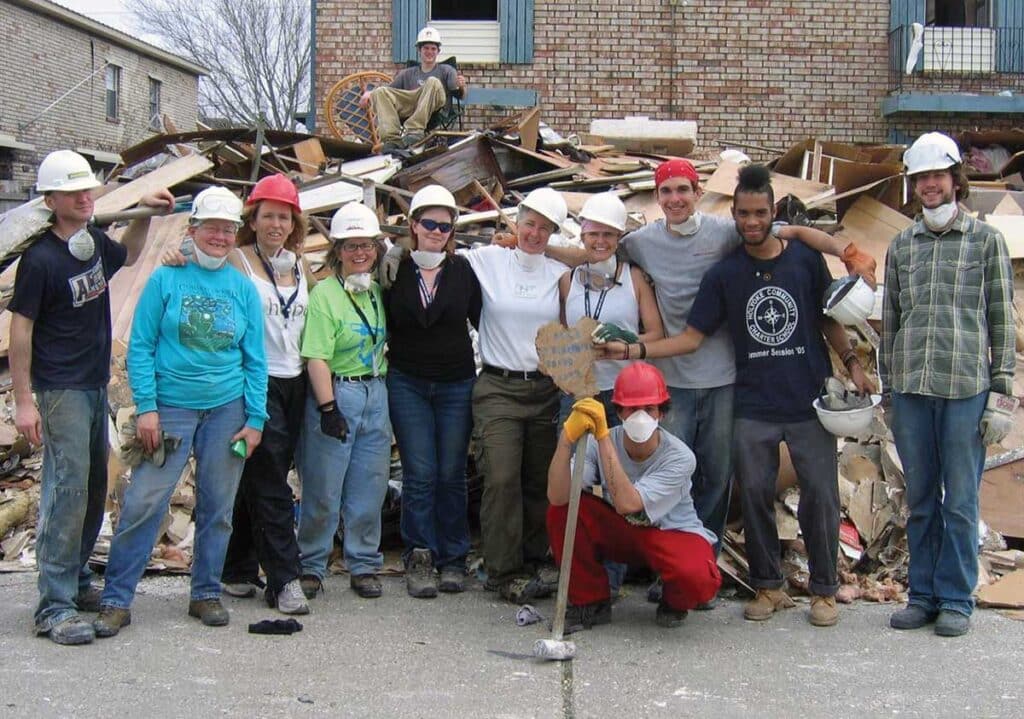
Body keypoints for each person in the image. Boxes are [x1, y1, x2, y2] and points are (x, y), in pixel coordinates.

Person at [549, 159, 877, 577]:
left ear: (698, 194)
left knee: (717, 478)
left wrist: (848, 252)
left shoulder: (728, 232)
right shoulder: (644, 242)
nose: (675, 199)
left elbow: (794, 232)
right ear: (656, 196)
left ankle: (705, 561)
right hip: (672, 379)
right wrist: (538, 247)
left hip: (724, 378)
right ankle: (668, 564)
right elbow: (595, 248)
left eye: (683, 190)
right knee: (670, 474)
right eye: (666, 191)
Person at [9, 150, 173, 645]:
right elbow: (20, 332)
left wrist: (143, 212)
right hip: (59, 387)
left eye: (89, 191)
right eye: (74, 192)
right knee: (67, 490)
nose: (85, 197)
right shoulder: (40, 260)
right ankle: (52, 606)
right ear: (51, 199)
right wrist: (22, 400)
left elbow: (128, 254)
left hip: (93, 382)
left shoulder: (91, 242)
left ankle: (77, 579)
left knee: (94, 485)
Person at [93, 187, 268, 637]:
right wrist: (147, 409)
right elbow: (142, 347)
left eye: (228, 229)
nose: (220, 237)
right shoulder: (165, 280)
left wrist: (255, 418)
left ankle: (205, 592)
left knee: (218, 507)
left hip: (227, 410)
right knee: (145, 501)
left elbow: (255, 359)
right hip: (171, 409)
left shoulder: (241, 288)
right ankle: (116, 599)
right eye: (212, 227)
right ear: (193, 231)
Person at [883, 132, 1014, 638]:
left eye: (937, 176)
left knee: (959, 500)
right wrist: (890, 391)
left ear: (954, 180)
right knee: (918, 499)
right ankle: (923, 594)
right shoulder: (902, 245)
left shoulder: (986, 243)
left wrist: (1001, 398)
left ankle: (956, 597)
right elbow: (891, 324)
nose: (928, 186)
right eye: (920, 179)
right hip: (913, 391)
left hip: (966, 391)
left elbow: (1002, 322)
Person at [547, 362, 720, 633]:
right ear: (619, 411)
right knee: (562, 513)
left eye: (649, 409)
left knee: (699, 577)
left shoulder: (680, 457)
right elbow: (558, 497)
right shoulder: (597, 443)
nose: (641, 417)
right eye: (632, 409)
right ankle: (589, 602)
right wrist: (566, 442)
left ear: (661, 413)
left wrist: (603, 438)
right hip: (622, 530)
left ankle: (674, 600)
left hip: (669, 533)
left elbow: (629, 503)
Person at [215, 174, 314, 615]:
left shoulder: (301, 263)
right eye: (268, 215)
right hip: (254, 380)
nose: (276, 224)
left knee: (257, 473)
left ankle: (235, 568)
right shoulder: (236, 259)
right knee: (272, 477)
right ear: (252, 219)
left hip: (297, 380)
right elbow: (192, 261)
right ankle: (284, 579)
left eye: (284, 216)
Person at [383, 185, 482, 598]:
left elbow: (484, 319)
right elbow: (344, 263)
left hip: (456, 382)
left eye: (445, 225)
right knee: (420, 474)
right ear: (413, 226)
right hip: (408, 381)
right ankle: (420, 555)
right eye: (429, 223)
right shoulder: (392, 270)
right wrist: (386, 251)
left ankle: (453, 558)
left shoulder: (464, 271)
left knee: (452, 473)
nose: (437, 231)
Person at [297, 202, 391, 600]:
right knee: (323, 487)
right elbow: (315, 355)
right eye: (351, 246)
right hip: (339, 391)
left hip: (375, 391)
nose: (359, 254)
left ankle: (364, 563)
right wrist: (328, 408)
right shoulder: (325, 296)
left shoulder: (374, 292)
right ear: (336, 250)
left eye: (366, 246)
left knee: (369, 486)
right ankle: (312, 564)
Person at [559, 191, 663, 423]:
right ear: (583, 236)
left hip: (626, 391)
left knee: (622, 458)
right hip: (579, 391)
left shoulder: (634, 278)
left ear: (619, 238)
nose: (600, 241)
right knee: (576, 458)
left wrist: (625, 338)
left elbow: (657, 334)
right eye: (593, 234)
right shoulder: (568, 280)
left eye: (608, 234)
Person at [361, 26, 467, 151]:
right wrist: (371, 93)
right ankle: (391, 139)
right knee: (380, 91)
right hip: (412, 106)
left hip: (436, 108)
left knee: (432, 81)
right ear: (419, 50)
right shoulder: (407, 73)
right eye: (426, 48)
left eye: (433, 49)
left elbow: (460, 95)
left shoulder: (447, 70)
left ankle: (414, 131)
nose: (429, 52)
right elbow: (389, 93)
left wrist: (462, 86)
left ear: (438, 51)